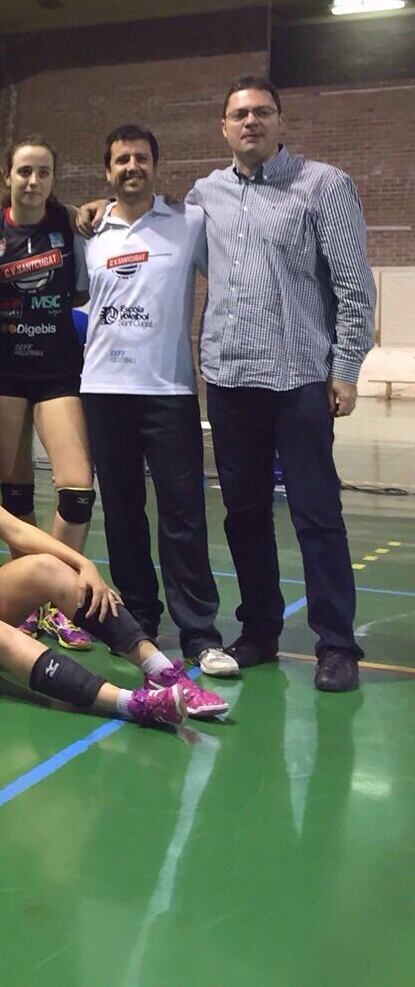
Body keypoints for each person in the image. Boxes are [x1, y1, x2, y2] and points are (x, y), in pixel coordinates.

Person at [0, 410, 231, 723]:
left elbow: (14, 530)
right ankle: (130, 704)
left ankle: (161, 671)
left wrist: (81, 563)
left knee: (47, 567)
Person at [191, 77, 374, 691]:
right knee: (242, 514)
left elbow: (354, 286)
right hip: (229, 379)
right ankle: (260, 631)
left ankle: (337, 642)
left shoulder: (323, 185)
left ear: (281, 122)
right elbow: (157, 236)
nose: (250, 122)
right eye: (238, 113)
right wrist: (94, 216)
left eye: (262, 112)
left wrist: (344, 369)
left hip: (300, 379)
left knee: (316, 514)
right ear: (223, 127)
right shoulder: (204, 194)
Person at [80, 126, 238, 678]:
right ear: (107, 170)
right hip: (102, 390)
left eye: (141, 158)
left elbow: (231, 278)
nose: (131, 167)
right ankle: (138, 621)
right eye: (121, 159)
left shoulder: (189, 222)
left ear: (155, 165)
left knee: (182, 515)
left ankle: (199, 633)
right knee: (122, 515)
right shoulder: (91, 231)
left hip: (168, 392)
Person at [0, 139, 94, 651]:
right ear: (7, 175)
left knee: (76, 491)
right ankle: (29, 605)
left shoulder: (70, 223)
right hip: (2, 370)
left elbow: (83, 291)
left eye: (43, 172)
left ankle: (59, 599)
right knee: (16, 495)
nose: (33, 181)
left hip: (57, 369)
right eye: (24, 171)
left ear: (52, 178)